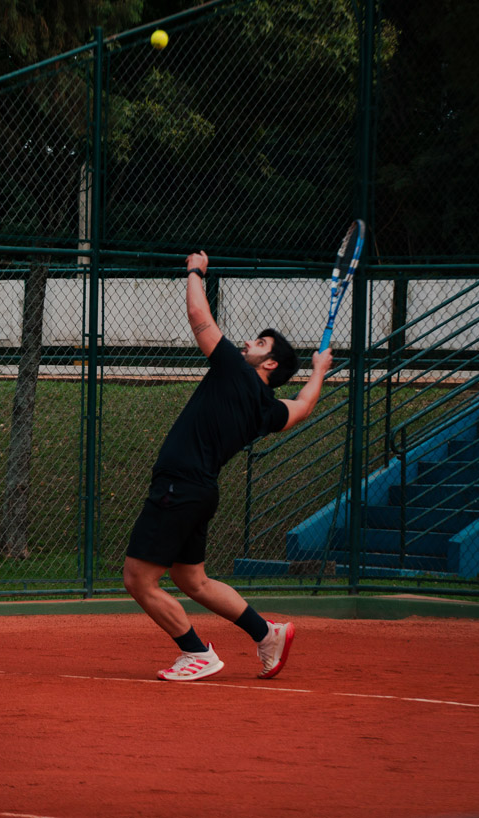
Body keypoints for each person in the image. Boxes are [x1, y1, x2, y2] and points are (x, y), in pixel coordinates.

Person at [123, 250, 333, 682]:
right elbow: (304, 406)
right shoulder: (267, 410)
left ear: (269, 363)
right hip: (199, 491)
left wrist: (195, 271)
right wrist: (319, 370)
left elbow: (198, 316)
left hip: (180, 487)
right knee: (192, 580)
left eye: (259, 343)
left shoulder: (235, 371)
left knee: (138, 579)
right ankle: (267, 633)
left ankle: (197, 652)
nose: (247, 344)